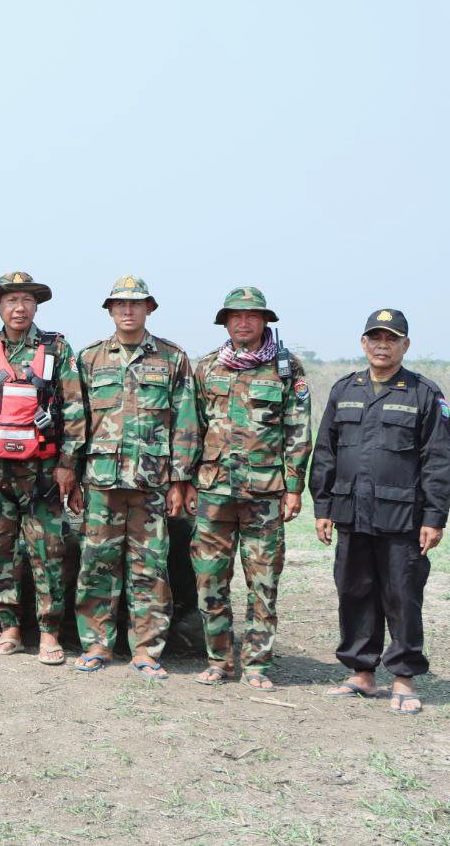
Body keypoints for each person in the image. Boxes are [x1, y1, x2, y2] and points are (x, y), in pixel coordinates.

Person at [310, 309, 449, 715]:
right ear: (363, 343)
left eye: (391, 338)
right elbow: (326, 452)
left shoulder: (423, 393)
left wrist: (434, 517)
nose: (382, 345)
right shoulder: (344, 390)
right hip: (351, 512)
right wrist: (323, 506)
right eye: (375, 338)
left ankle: (403, 677)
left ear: (405, 345)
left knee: (402, 595)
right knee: (354, 591)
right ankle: (362, 673)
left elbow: (438, 461)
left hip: (403, 517)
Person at [68, 276, 199, 678]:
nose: (128, 311)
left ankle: (146, 650)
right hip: (101, 483)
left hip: (151, 484)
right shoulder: (89, 358)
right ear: (110, 310)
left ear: (149, 309)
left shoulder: (172, 358)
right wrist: (71, 476)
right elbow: (75, 421)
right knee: (96, 568)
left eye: (136, 304)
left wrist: (180, 480)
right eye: (120, 305)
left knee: (151, 570)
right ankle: (96, 645)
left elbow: (186, 422)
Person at [0, 272, 83, 664]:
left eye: (26, 300)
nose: (19, 307)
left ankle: (49, 633)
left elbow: (76, 411)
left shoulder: (57, 349)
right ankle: (8, 629)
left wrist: (68, 464)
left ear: (36, 306)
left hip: (43, 473)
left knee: (49, 552)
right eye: (10, 301)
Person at [187, 288, 312, 690]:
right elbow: (190, 429)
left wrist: (294, 487)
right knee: (210, 580)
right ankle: (218, 659)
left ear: (265, 321)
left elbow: (298, 431)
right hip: (213, 491)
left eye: (252, 316)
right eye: (235, 316)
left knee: (263, 582)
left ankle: (257, 663)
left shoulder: (286, 368)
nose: (244, 322)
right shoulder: (207, 367)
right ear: (225, 322)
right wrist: (185, 482)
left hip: (264, 492)